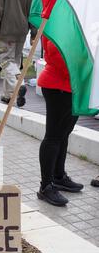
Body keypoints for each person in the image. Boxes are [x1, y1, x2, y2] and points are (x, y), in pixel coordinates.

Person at [37, 37, 84, 207]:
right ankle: (46, 186)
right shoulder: (57, 15)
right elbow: (56, 53)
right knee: (54, 136)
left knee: (63, 134)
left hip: (71, 85)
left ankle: (58, 177)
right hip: (58, 85)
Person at [0, 0, 36, 107]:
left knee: (6, 61)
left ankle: (19, 83)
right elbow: (32, 14)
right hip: (22, 32)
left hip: (6, 31)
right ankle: (8, 95)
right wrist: (33, 34)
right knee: (14, 62)